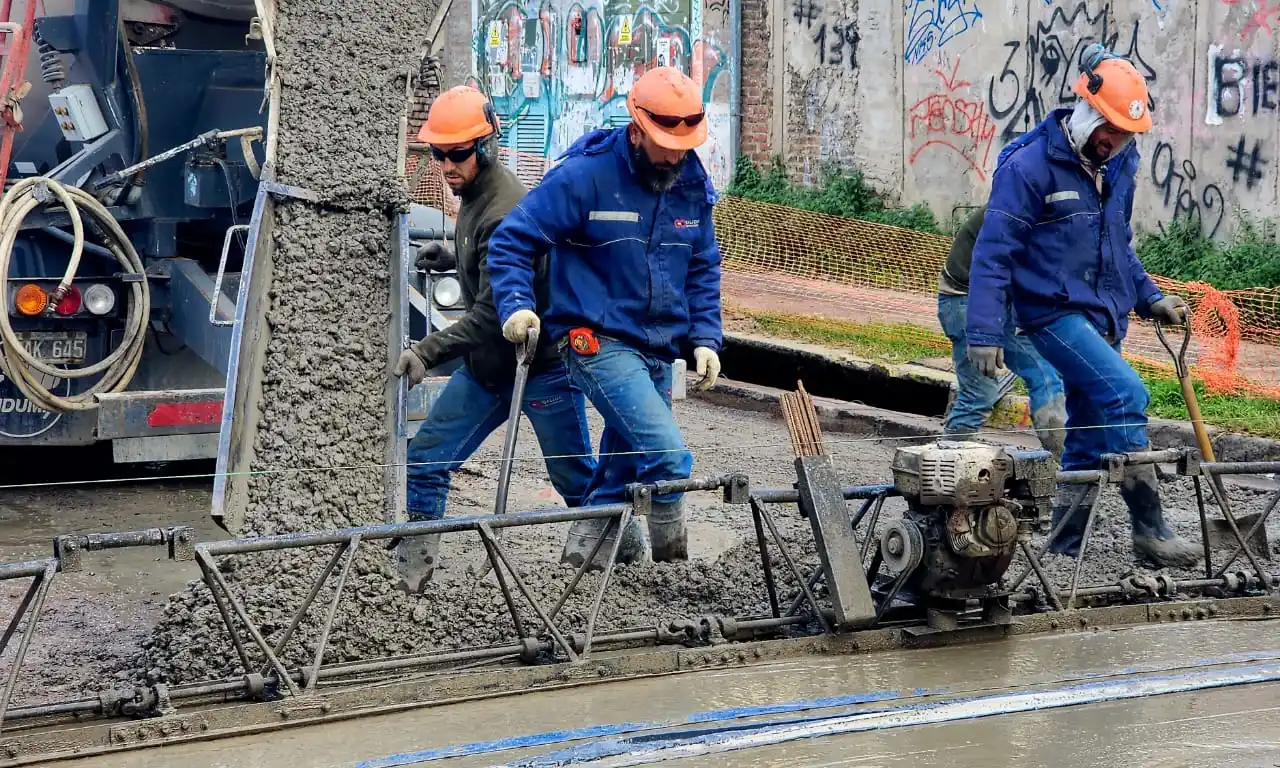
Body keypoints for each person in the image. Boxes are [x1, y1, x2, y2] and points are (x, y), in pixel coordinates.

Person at [965, 44, 1198, 568]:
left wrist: (1149, 296)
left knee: (1089, 434)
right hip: (1050, 313)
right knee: (1124, 393)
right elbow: (993, 253)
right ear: (1088, 111)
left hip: (1103, 312)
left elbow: (1116, 243)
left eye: (1125, 135)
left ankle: (1064, 548)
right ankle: (1151, 531)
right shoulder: (1028, 168)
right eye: (1110, 130)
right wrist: (982, 333)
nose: (1114, 143)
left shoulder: (1117, 164)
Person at [486, 66, 723, 568]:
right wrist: (517, 305)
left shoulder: (689, 181)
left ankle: (582, 564)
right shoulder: (585, 176)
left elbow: (701, 265)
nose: (675, 156)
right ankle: (674, 571)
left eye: (684, 146)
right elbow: (511, 240)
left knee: (619, 467)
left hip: (657, 346)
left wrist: (705, 337)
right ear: (636, 131)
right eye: (664, 146)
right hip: (596, 340)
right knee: (667, 457)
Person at [391, 85, 597, 592]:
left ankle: (625, 550)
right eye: (438, 154)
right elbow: (488, 274)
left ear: (485, 147)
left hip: (540, 369)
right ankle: (411, 573)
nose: (445, 165)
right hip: (487, 372)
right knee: (427, 458)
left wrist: (427, 351)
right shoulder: (474, 195)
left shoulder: (503, 207)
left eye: (456, 154)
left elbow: (490, 314)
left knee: (575, 479)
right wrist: (454, 257)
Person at [938, 204, 1067, 461]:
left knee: (1044, 372)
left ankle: (1064, 462)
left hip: (997, 305)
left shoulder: (1043, 209)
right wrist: (987, 334)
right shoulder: (1014, 209)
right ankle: (943, 468)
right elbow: (1008, 273)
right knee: (978, 396)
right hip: (966, 304)